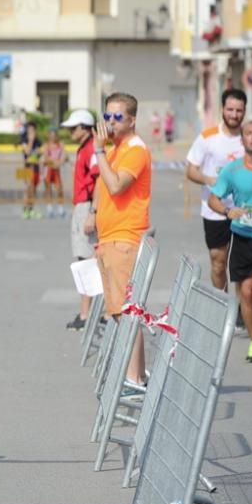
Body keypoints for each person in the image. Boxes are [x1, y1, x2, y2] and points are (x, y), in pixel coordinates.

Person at [93, 92, 151, 392]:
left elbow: (116, 186)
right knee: (119, 310)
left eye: (117, 117)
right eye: (107, 116)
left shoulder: (134, 149)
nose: (111, 122)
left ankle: (135, 378)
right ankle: (138, 375)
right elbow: (101, 184)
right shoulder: (115, 149)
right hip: (109, 237)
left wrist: (99, 152)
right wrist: (93, 213)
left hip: (125, 237)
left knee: (127, 311)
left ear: (132, 120)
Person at [207, 120, 252, 363]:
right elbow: (214, 198)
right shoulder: (232, 170)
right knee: (247, 292)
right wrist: (226, 211)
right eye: (249, 134)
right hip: (243, 239)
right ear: (242, 140)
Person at [186, 89, 251, 295]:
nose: (234, 115)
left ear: (244, 111)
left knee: (245, 263)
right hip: (215, 209)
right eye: (230, 109)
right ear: (222, 109)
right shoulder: (208, 137)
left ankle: (243, 307)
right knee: (218, 262)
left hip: (246, 210)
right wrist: (208, 179)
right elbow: (190, 169)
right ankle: (222, 304)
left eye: (238, 110)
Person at [60, 110, 99, 330]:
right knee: (83, 258)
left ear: (85, 127)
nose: (70, 132)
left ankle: (87, 314)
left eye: (74, 128)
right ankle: (87, 312)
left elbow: (98, 179)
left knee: (86, 259)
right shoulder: (85, 148)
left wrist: (93, 213)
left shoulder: (91, 148)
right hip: (82, 206)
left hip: (87, 205)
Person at [43, 128, 66, 218]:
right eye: (51, 135)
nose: (52, 137)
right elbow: (46, 157)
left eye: (54, 135)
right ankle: (49, 208)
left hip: (56, 170)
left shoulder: (60, 145)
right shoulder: (47, 145)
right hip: (48, 170)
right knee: (48, 190)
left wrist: (60, 162)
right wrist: (54, 162)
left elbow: (64, 155)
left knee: (59, 189)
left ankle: (60, 208)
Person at [21, 122, 42, 220]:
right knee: (27, 188)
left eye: (33, 131)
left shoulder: (38, 141)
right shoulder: (24, 140)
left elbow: (38, 153)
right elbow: (27, 152)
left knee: (34, 189)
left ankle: (31, 209)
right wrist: (30, 141)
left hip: (36, 167)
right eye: (29, 131)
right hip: (26, 168)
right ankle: (25, 210)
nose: (32, 133)